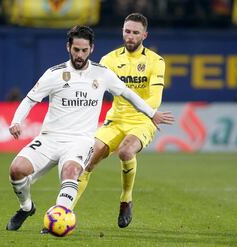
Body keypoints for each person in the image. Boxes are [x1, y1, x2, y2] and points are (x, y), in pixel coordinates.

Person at [5, 25, 174, 231]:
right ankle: (26, 207)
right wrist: (16, 121)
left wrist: (151, 113)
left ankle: (59, 219)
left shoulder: (102, 74)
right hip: (50, 138)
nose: (80, 54)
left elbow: (129, 94)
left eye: (84, 50)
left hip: (80, 141)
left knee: (72, 171)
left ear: (91, 49)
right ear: (68, 47)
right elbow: (30, 100)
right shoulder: (54, 74)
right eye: (76, 50)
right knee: (16, 170)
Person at [73, 13, 166, 228]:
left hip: (143, 120)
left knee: (125, 151)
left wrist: (148, 114)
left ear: (144, 34)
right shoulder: (109, 60)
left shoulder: (155, 61)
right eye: (127, 31)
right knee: (87, 161)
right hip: (115, 120)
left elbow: (155, 99)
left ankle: (126, 199)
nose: (130, 36)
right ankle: (64, 210)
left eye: (135, 32)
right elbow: (92, 90)